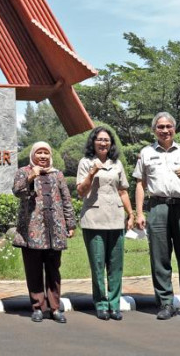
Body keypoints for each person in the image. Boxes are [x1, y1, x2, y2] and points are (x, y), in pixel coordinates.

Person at [134, 112, 180, 322]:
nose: (165, 130)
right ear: (154, 130)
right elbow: (140, 183)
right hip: (158, 207)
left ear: (174, 129)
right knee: (160, 258)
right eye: (160, 127)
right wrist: (139, 212)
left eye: (168, 126)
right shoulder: (146, 153)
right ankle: (165, 303)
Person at [12, 141, 76, 323]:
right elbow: (17, 191)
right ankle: (38, 307)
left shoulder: (58, 175)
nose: (42, 156)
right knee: (33, 270)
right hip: (32, 230)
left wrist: (70, 224)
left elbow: (66, 200)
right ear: (32, 155)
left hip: (55, 230)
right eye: (39, 153)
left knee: (53, 270)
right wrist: (32, 176)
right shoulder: (24, 172)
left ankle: (55, 308)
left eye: (45, 153)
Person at [76, 127, 134, 321]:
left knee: (116, 265)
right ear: (93, 142)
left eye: (107, 140)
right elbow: (81, 192)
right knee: (98, 264)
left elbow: (123, 191)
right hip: (94, 219)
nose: (103, 143)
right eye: (100, 140)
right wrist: (92, 173)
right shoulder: (85, 163)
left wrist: (131, 214)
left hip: (116, 219)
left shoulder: (116, 164)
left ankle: (114, 304)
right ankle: (101, 303)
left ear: (111, 143)